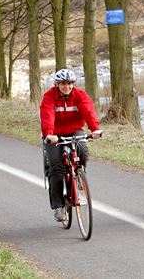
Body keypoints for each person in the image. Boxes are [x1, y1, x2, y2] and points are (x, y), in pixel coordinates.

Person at [40, 68, 102, 221]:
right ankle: (58, 206)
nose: (66, 87)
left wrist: (95, 129)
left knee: (82, 148)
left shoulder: (80, 95)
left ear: (73, 84)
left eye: (69, 84)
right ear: (57, 84)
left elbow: (88, 111)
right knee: (56, 168)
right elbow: (47, 115)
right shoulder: (49, 97)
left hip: (75, 130)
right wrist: (49, 133)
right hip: (54, 134)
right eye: (62, 84)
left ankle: (80, 175)